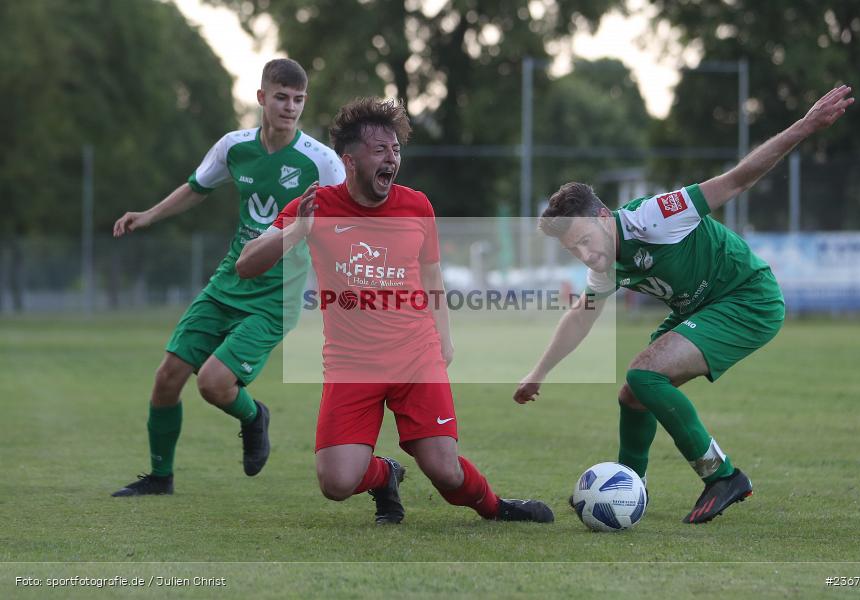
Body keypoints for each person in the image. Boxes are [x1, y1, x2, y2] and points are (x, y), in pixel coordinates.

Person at [514, 85, 854, 523]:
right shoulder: (604, 258)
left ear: (604, 217)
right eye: (571, 249)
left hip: (748, 298)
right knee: (634, 394)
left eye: (583, 240)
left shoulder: (656, 215)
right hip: (703, 308)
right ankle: (629, 486)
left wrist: (805, 126)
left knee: (644, 373)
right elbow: (582, 316)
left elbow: (738, 179)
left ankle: (722, 476)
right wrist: (539, 372)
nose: (583, 254)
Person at [237, 97, 554, 524]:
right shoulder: (316, 206)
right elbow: (246, 266)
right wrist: (296, 232)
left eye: (396, 149)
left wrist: (444, 336)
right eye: (380, 150)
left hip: (414, 356)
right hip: (352, 365)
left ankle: (496, 508)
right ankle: (386, 475)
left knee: (445, 469)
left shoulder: (417, 206)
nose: (392, 158)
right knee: (336, 483)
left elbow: (433, 277)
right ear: (349, 161)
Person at [110, 58, 345, 496]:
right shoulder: (234, 147)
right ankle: (161, 478)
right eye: (280, 97)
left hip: (274, 297)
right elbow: (197, 187)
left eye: (297, 100)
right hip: (226, 284)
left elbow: (349, 217)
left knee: (213, 383)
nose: (289, 107)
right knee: (166, 377)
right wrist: (148, 215)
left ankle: (254, 417)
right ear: (261, 98)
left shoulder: (323, 162)